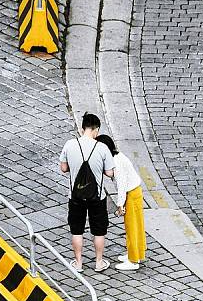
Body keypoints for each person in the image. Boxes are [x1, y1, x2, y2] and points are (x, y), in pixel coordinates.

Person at [59, 113, 114, 272]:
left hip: (75, 196)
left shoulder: (70, 144)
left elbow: (63, 168)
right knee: (99, 230)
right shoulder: (102, 147)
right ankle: (98, 262)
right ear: (96, 129)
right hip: (97, 196)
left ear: (83, 128)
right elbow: (110, 173)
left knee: (77, 230)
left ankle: (78, 263)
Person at [96, 134, 146, 272]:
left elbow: (122, 185)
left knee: (132, 227)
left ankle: (133, 260)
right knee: (137, 225)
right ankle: (137, 253)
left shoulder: (116, 162)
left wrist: (120, 205)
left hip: (131, 193)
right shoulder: (117, 157)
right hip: (134, 192)